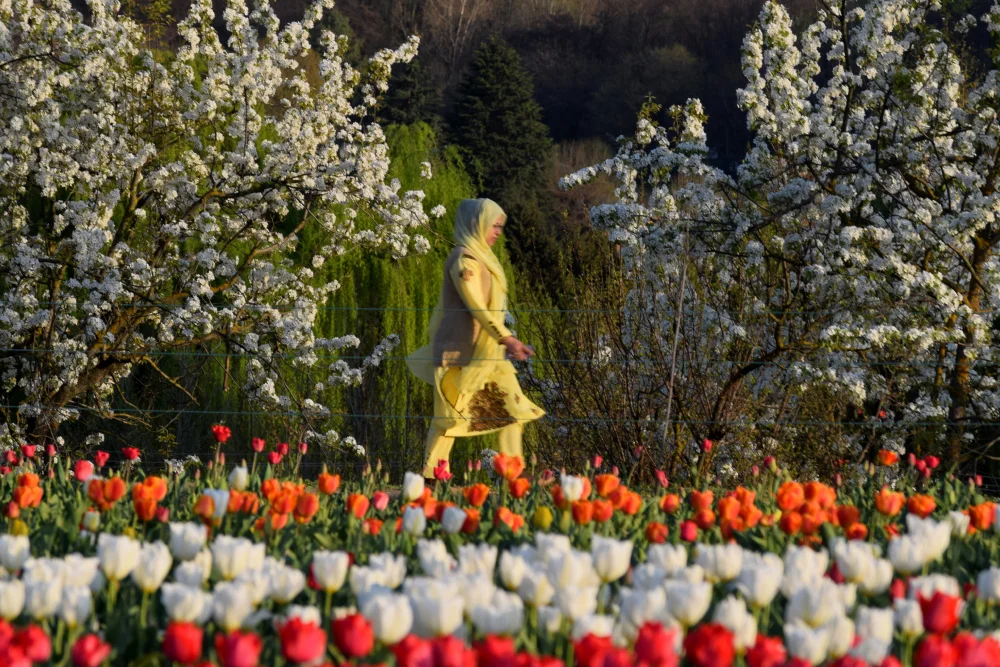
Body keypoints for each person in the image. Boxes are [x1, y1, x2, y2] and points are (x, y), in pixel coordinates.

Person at [406, 198, 545, 479]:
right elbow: (476, 306)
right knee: (448, 419)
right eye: (493, 225)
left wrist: (501, 341)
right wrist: (507, 338)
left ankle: (514, 473)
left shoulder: (483, 258)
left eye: (500, 227)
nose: (498, 232)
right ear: (476, 224)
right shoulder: (464, 259)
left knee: (514, 410)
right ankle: (432, 477)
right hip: (458, 354)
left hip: (488, 355)